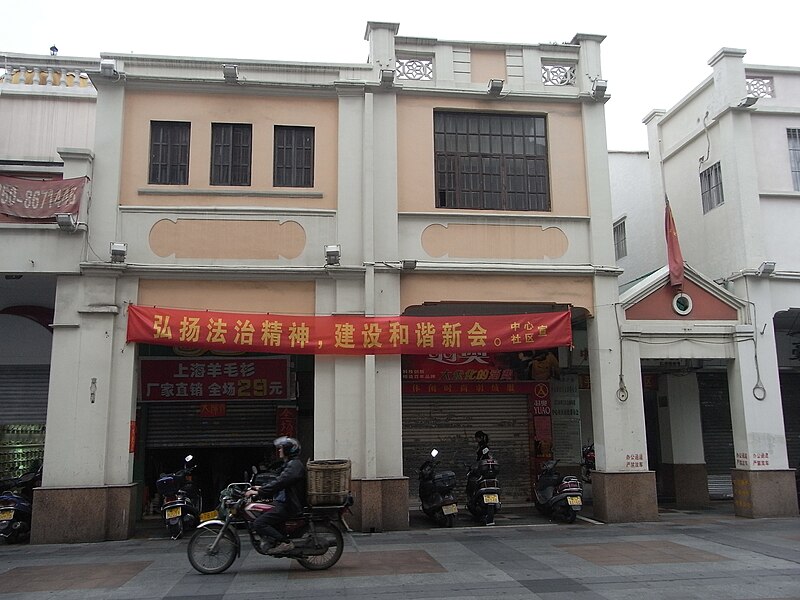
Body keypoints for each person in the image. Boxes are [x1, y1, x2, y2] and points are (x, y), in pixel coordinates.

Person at [246, 436, 306, 554]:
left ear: (288, 450)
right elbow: (278, 479)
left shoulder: (294, 465)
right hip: (284, 501)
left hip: (290, 504)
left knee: (259, 523)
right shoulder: (290, 464)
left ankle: (285, 543)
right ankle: (273, 540)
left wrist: (259, 492)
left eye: (281, 448)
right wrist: (260, 488)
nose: (279, 450)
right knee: (261, 510)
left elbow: (281, 482)